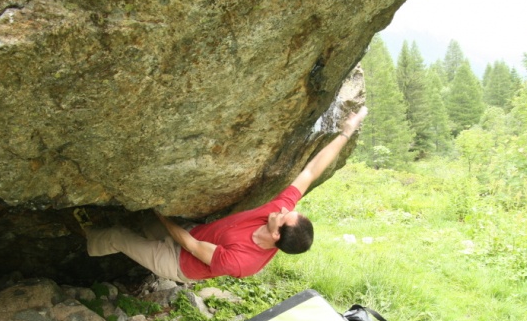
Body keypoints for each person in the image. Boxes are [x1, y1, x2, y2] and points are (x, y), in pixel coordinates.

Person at [77, 106, 368, 282]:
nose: (279, 210)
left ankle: (86, 234)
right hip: (195, 232)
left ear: (277, 236)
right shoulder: (277, 212)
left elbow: (190, 246)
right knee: (141, 224)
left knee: (117, 236)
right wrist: (345, 133)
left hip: (179, 262)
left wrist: (160, 212)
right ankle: (125, 228)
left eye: (282, 217)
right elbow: (310, 172)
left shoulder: (244, 262)